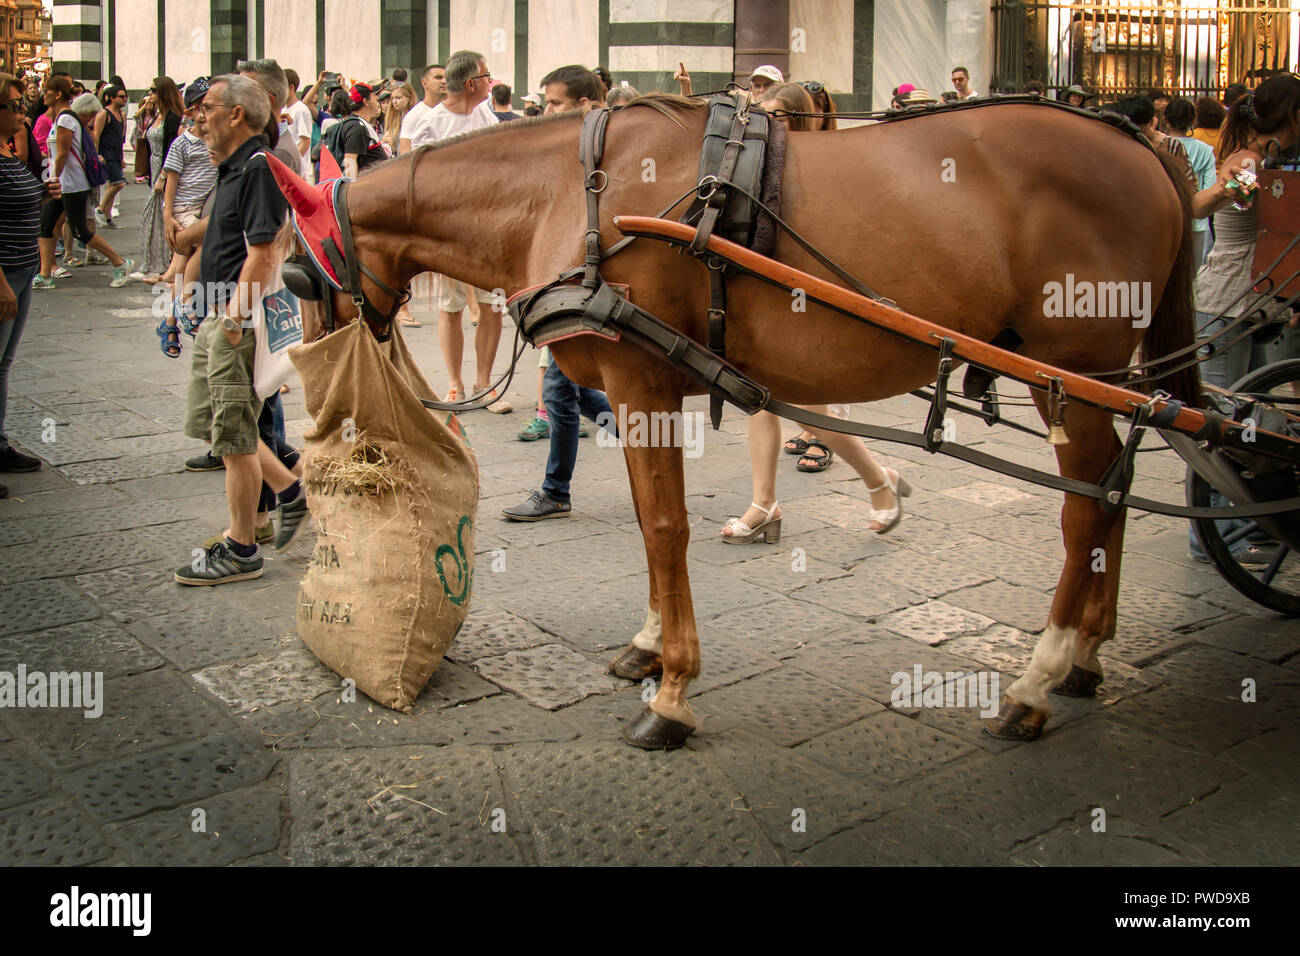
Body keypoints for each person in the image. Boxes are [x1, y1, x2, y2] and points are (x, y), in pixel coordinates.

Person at [721, 82, 911, 541]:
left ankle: (879, 481)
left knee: (808, 412)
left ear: (801, 120)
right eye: (764, 114)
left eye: (781, 116)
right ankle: (763, 503)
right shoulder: (762, 163)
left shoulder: (821, 164)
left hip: (809, 304)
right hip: (766, 295)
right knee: (758, 402)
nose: (771, 124)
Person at [174, 74, 294, 585]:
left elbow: (265, 252)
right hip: (216, 314)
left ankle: (243, 546)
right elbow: (220, 243)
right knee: (221, 432)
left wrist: (233, 317)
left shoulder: (259, 170)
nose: (198, 116)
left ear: (237, 114)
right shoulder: (233, 169)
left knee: (236, 436)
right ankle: (290, 491)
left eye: (207, 107)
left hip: (233, 321)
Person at [1187, 74, 1300, 566]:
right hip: (1227, 301)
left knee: (1245, 415)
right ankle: (1212, 534)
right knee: (1221, 422)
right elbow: (1216, 200)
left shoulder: (1258, 158)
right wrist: (1239, 188)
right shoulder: (1252, 161)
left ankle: (1240, 525)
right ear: (1292, 116)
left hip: (1247, 303)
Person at [503, 66, 613, 521]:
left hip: (582, 290)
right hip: (561, 288)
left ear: (584, 105)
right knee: (575, 391)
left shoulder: (600, 154)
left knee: (559, 390)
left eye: (555, 103)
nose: (544, 111)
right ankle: (649, 434)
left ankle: (555, 492)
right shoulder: (574, 148)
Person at [411, 50, 510, 411]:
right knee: (450, 306)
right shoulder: (430, 124)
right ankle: (454, 384)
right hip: (448, 232)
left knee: (492, 306)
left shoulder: (485, 114)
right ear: (471, 83)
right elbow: (419, 182)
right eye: (486, 76)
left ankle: (484, 383)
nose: (490, 82)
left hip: (489, 229)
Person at [0, 71, 60, 496]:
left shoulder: (6, 152)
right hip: (4, 274)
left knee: (3, 364)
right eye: (16, 105)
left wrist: (43, 192)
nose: (24, 111)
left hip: (21, 271)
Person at [34, 89, 134, 290]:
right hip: (66, 183)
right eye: (91, 114)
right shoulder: (67, 119)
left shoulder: (66, 120)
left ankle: (120, 262)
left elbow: (62, 154)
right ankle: (45, 274)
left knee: (80, 230)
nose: (92, 118)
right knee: (46, 225)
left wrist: (52, 178)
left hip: (70, 184)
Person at [154, 77, 218, 357]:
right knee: (204, 244)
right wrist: (168, 215)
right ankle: (185, 302)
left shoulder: (216, 139)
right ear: (190, 112)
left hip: (201, 206)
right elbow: (171, 180)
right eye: (201, 107)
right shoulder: (182, 144)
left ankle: (168, 322)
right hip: (184, 209)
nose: (206, 113)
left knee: (180, 266)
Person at [136, 77, 185, 281]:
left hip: (164, 168)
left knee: (159, 215)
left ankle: (162, 264)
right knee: (153, 217)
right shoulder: (156, 115)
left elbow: (172, 149)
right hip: (154, 165)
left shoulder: (173, 118)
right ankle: (152, 263)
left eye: (154, 90)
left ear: (163, 93)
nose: (150, 94)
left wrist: (163, 176)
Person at [1164, 96, 1217, 268]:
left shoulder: (1158, 147)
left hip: (1165, 218)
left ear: (1165, 119)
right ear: (1193, 120)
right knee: (1193, 277)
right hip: (1197, 222)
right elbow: (1209, 187)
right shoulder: (1205, 151)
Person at [326, 82, 386, 177]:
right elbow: (350, 161)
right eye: (375, 96)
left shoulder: (360, 123)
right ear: (366, 101)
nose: (378, 99)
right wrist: (353, 187)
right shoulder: (356, 126)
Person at [92, 85, 128, 226]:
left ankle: (107, 217)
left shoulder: (122, 115)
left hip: (116, 153)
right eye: (121, 96)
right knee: (118, 183)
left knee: (112, 186)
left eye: (125, 96)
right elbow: (96, 135)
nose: (124, 99)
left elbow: (120, 138)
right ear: (112, 98)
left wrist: (122, 157)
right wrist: (96, 155)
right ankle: (100, 209)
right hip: (107, 154)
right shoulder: (104, 114)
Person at [397, 63, 447, 154]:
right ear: (425, 83)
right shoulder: (414, 116)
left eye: (446, 78)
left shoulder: (451, 111)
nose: (444, 81)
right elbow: (405, 153)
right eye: (438, 77)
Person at [283, 68, 313, 177]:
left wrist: (290, 163)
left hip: (298, 172)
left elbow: (305, 142)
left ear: (291, 87)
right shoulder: (283, 110)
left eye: (281, 87)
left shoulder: (301, 110)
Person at [381, 80, 417, 154]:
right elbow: (395, 146)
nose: (394, 101)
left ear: (409, 98)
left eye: (398, 98)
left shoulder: (416, 116)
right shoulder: (394, 118)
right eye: (392, 98)